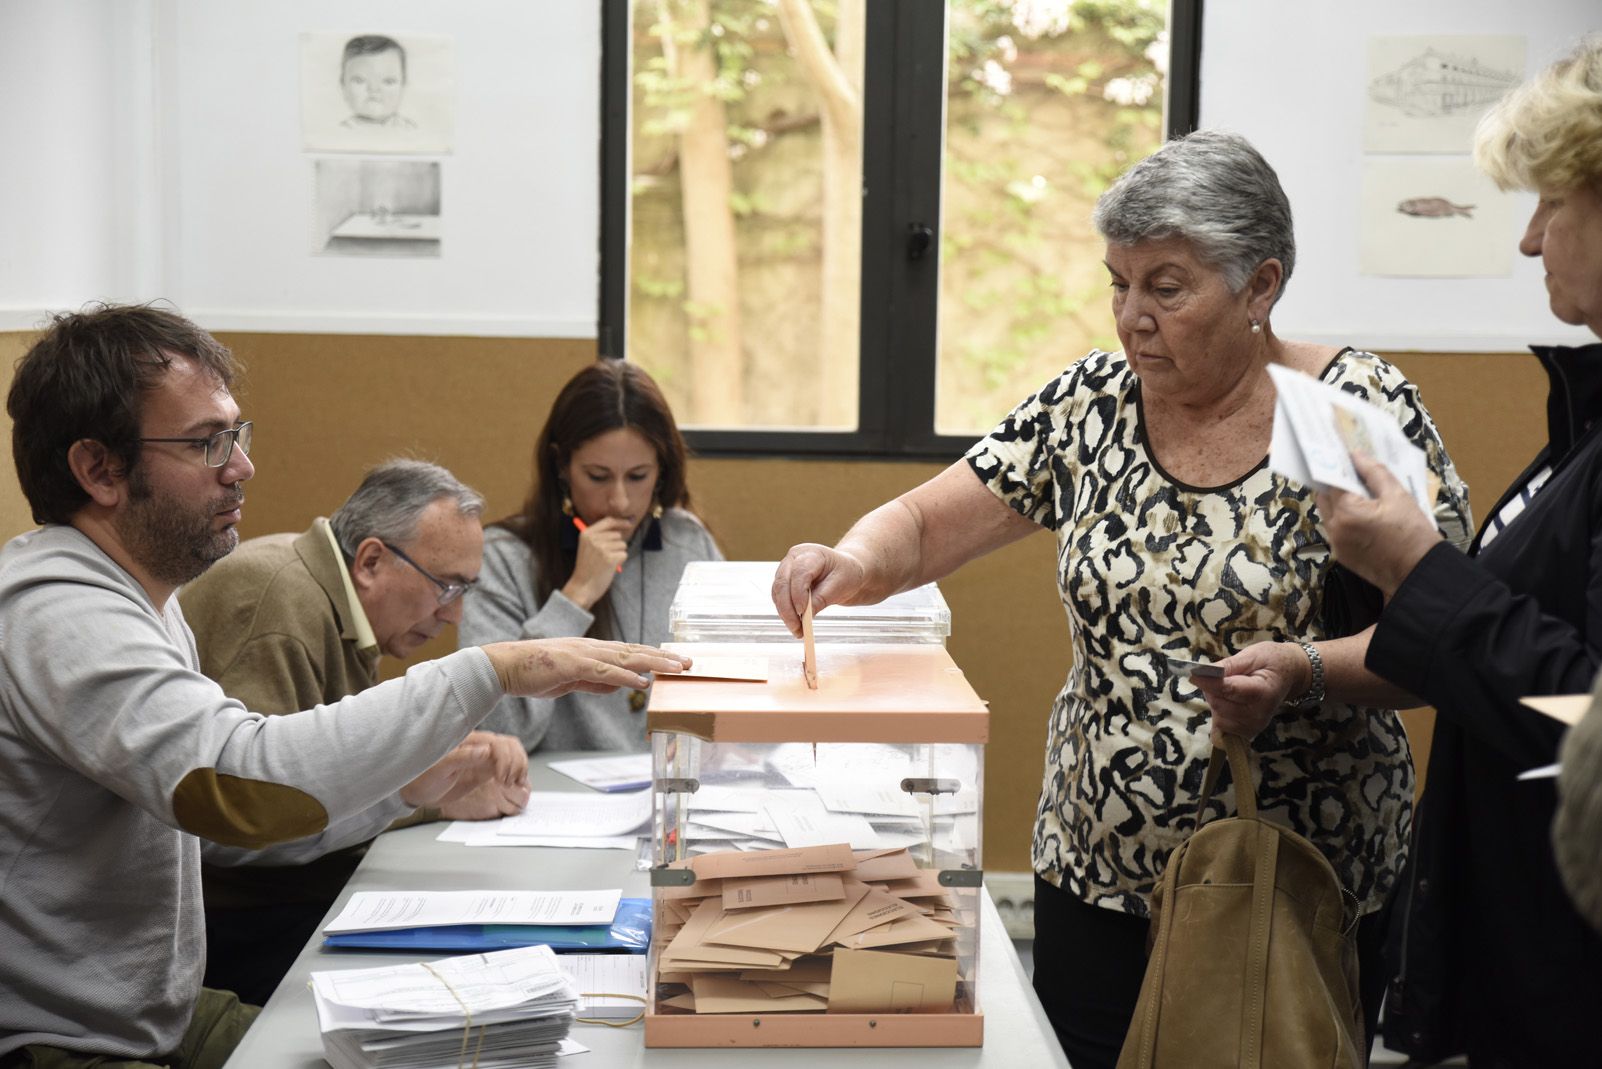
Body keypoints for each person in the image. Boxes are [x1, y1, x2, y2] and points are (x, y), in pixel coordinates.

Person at [769, 131, 1473, 1069]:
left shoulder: (1346, 412)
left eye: (1167, 287)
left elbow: (1445, 633)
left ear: (1260, 285)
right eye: (1119, 283)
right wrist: (851, 559)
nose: (1131, 318)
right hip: (1096, 869)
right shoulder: (1094, 401)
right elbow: (931, 522)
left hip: (1289, 878)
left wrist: (1303, 671)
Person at [0, 303, 688, 1068]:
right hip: (67, 1042)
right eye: (206, 443)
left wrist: (413, 786)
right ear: (99, 469)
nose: (241, 466)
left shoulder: (136, 599)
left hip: (156, 1013)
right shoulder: (59, 613)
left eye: (237, 435)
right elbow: (241, 786)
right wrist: (493, 668)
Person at [1202, 40, 1602, 1067]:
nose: (1528, 241)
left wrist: (1417, 572)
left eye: (1552, 205)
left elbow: (1581, 711)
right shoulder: (1585, 420)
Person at [177, 458, 528, 1006]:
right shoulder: (278, 606)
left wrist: (436, 787)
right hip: (236, 923)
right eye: (445, 586)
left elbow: (323, 780)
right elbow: (243, 833)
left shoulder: (330, 598)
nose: (453, 615)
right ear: (369, 561)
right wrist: (411, 794)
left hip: (281, 900)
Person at [459, 360, 722, 751]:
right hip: (551, 798)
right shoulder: (503, 558)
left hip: (673, 784)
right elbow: (497, 730)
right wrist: (576, 595)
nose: (619, 501)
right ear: (562, 467)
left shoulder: (688, 544)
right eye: (598, 477)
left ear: (662, 472)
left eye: (638, 477)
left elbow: (730, 686)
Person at [339, 34, 416, 129]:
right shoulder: (338, 132)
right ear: (343, 85)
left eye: (388, 81)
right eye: (360, 80)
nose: (374, 89)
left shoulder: (409, 130)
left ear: (403, 85)